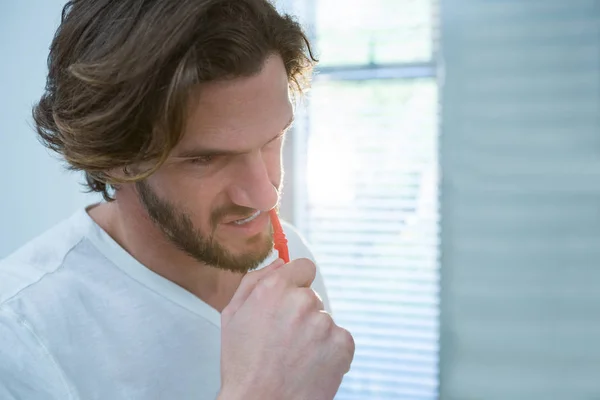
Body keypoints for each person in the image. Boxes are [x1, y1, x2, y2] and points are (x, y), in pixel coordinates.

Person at [0, 0, 355, 399]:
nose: (264, 193)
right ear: (115, 160)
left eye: (273, 139)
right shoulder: (20, 335)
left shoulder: (288, 261)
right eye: (207, 159)